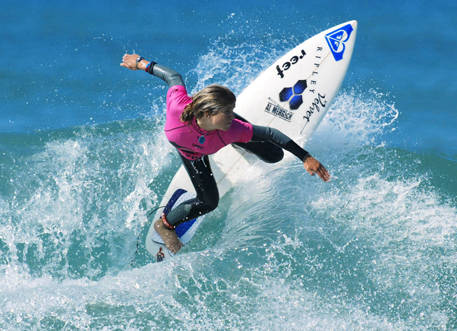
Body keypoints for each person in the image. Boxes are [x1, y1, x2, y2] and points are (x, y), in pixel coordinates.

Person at [120, 54, 330, 253]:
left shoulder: (232, 128)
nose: (232, 115)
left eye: (232, 110)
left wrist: (305, 157)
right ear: (209, 112)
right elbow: (173, 77)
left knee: (274, 155)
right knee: (208, 202)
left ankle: (240, 145)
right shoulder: (178, 109)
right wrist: (140, 62)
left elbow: (269, 133)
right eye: (228, 111)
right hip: (193, 154)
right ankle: (165, 225)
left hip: (219, 133)